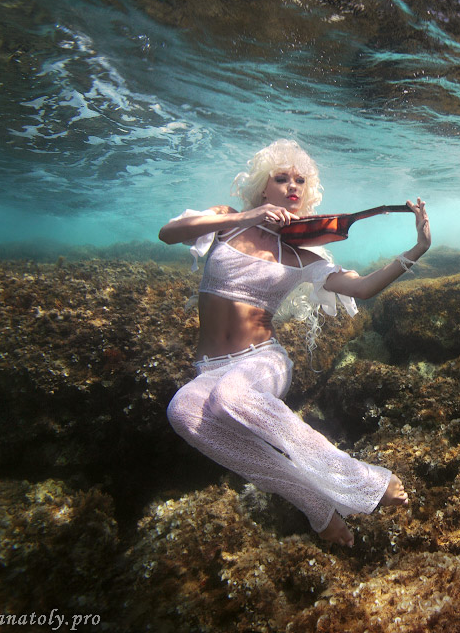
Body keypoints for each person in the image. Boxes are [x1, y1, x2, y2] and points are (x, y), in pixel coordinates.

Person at [158, 139, 430, 547]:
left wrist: (418, 249)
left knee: (232, 398)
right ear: (261, 187)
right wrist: (250, 215)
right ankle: (316, 507)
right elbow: (168, 233)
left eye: (300, 180)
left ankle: (366, 481)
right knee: (182, 411)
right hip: (209, 367)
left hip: (262, 360)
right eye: (280, 178)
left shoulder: (302, 255)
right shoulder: (227, 220)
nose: (291, 186)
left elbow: (363, 288)